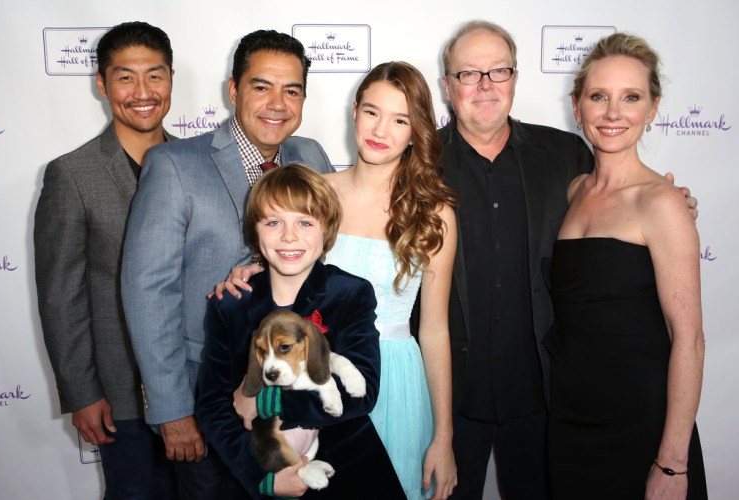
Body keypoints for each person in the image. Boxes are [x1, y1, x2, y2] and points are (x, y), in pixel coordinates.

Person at [417, 20, 699, 499]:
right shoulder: (417, 164)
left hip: (547, 402)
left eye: (498, 71)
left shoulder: (567, 155)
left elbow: (626, 200)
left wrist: (675, 202)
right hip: (446, 401)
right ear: (447, 86)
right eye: (468, 73)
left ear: (515, 78)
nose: (485, 85)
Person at [219, 61, 459, 499]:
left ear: (416, 131)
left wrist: (444, 436)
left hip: (396, 381)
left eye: (400, 119)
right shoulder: (316, 194)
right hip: (313, 377)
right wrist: (248, 272)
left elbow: (435, 330)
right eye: (372, 112)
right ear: (354, 111)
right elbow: (281, 270)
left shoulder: (433, 213)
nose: (380, 129)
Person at [121, 30, 334, 497]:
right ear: (234, 90)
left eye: (292, 90)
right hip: (208, 398)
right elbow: (147, 292)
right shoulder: (174, 165)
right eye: (262, 86)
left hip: (295, 398)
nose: (277, 103)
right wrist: (173, 411)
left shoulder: (312, 156)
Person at [544, 32, 707, 499]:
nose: (613, 113)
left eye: (631, 97)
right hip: (570, 419)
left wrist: (672, 464)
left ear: (652, 109)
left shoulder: (663, 203)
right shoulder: (574, 190)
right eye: (599, 96)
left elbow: (689, 340)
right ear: (577, 107)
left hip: (642, 424)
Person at [196, 164, 405, 499]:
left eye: (305, 222)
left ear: (327, 229)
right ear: (254, 230)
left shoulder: (350, 293)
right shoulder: (231, 304)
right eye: (273, 222)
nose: (289, 236)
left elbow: (361, 391)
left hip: (345, 467)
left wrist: (268, 399)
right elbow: (212, 406)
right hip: (260, 465)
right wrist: (263, 479)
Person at [34, 21, 178, 498]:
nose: (143, 92)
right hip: (119, 398)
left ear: (171, 79)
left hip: (195, 390)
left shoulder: (197, 163)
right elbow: (61, 296)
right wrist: (83, 393)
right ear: (102, 83)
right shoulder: (72, 175)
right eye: (125, 77)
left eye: (154, 75)